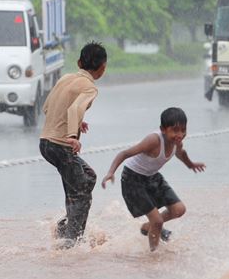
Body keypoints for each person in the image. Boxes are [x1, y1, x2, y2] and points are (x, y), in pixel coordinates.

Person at [100, 107, 206, 251]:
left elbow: (180, 153)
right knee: (157, 221)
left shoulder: (177, 142)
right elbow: (124, 153)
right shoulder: (153, 140)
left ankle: (147, 228)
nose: (180, 134)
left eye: (183, 130)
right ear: (163, 129)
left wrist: (190, 164)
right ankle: (153, 256)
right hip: (132, 179)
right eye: (175, 130)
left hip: (152, 176)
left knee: (179, 209)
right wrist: (111, 172)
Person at [39, 41, 107, 247]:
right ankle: (72, 241)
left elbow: (47, 107)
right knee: (82, 188)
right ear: (102, 68)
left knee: (85, 178)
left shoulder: (66, 78)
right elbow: (74, 109)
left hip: (45, 143)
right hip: (61, 146)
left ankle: (65, 228)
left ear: (79, 62)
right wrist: (73, 136)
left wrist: (78, 122)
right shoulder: (90, 87)